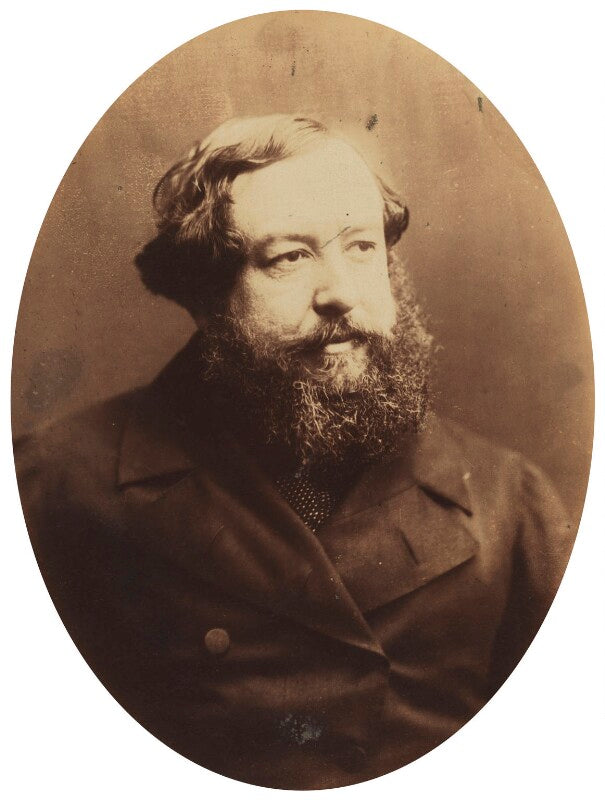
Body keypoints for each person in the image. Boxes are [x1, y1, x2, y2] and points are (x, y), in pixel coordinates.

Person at [15, 114, 574, 790]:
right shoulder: (55, 486)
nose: (340, 292)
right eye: (288, 257)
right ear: (206, 293)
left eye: (360, 247)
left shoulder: (509, 501)